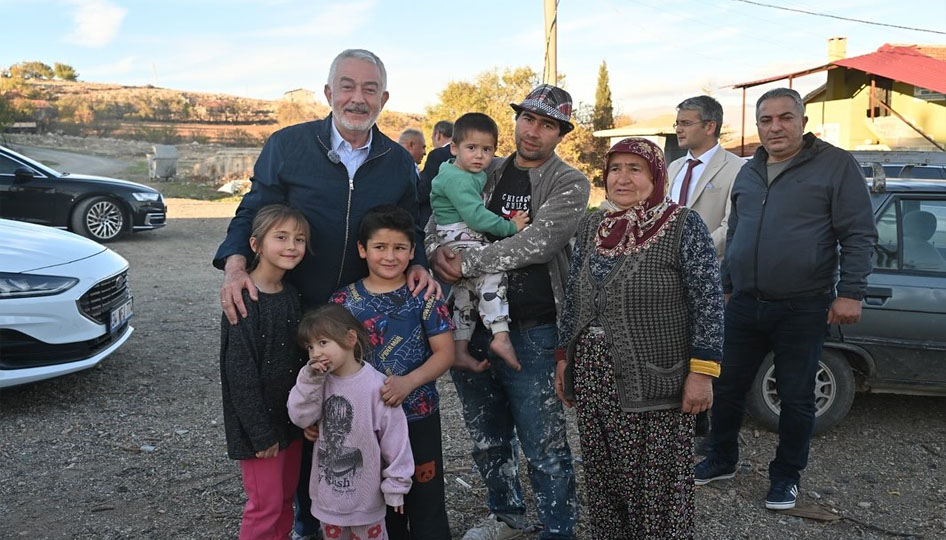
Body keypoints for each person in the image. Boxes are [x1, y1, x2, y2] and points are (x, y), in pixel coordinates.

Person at [213, 48, 438, 539]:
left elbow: (410, 224)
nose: (358, 98)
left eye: (369, 89)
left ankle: (359, 516)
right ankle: (306, 521)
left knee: (352, 417)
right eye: (348, 86)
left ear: (384, 97)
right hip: (296, 308)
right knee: (302, 412)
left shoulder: (398, 161)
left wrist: (417, 263)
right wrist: (234, 264)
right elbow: (255, 206)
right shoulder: (288, 145)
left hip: (358, 314)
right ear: (328, 92)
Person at [694, 88, 877, 510]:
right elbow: (736, 231)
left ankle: (786, 477)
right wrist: (724, 284)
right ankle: (721, 458)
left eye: (785, 118)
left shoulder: (834, 165)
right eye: (766, 120)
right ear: (757, 125)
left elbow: (858, 233)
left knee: (795, 396)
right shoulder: (750, 169)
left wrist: (851, 292)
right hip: (744, 301)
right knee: (726, 385)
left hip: (802, 304)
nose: (775, 127)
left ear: (803, 121)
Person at [426, 84, 588, 540]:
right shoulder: (484, 167)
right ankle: (507, 517)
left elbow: (538, 243)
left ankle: (558, 529)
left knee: (543, 442)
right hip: (471, 324)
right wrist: (436, 250)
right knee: (487, 436)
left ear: (560, 134)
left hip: (533, 330)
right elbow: (437, 218)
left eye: (547, 125)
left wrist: (466, 263)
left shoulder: (569, 182)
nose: (533, 131)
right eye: (527, 119)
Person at [553, 138, 724, 538]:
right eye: (615, 169)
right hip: (594, 379)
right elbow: (575, 294)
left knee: (657, 491)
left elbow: (709, 303)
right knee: (603, 481)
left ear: (656, 177)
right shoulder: (595, 224)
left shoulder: (683, 224)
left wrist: (702, 372)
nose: (622, 178)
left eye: (635, 169)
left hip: (657, 380)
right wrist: (564, 357)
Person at [332, 205, 455, 540]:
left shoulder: (424, 297)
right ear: (362, 249)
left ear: (413, 252)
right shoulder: (344, 302)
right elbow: (332, 363)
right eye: (380, 247)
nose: (390, 256)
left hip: (418, 417)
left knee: (426, 501)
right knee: (382, 507)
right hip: (366, 425)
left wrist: (409, 382)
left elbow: (446, 353)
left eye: (400, 248)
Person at [219, 204, 310, 539]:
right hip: (260, 430)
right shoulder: (243, 299)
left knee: (286, 501)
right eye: (281, 237)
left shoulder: (292, 294)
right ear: (255, 245)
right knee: (265, 506)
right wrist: (260, 433)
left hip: (291, 423)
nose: (291, 246)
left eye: (299, 239)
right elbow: (239, 374)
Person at [288, 303, 414, 540]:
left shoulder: (376, 386)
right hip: (327, 502)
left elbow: (395, 439)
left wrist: (397, 485)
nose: (315, 353)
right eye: (310, 347)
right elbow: (300, 416)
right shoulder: (317, 383)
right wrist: (310, 380)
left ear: (350, 338)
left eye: (323, 343)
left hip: (367, 503)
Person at [430, 112, 529, 372]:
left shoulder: (464, 172)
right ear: (454, 148)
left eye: (487, 150)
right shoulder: (457, 179)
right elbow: (476, 217)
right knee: (492, 271)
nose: (479, 156)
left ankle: (460, 349)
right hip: (459, 236)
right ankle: (500, 334)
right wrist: (511, 226)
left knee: (466, 295)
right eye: (471, 148)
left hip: (456, 237)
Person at [667, 95, 744, 257]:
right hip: (668, 270)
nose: (678, 129)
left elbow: (731, 225)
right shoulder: (674, 167)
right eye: (678, 123)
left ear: (710, 127)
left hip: (710, 269)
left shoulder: (737, 168)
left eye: (686, 123)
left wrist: (693, 255)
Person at [418, 120, 455, 228]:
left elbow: (424, 191)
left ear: (438, 135)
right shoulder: (470, 155)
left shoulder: (437, 155)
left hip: (435, 220)